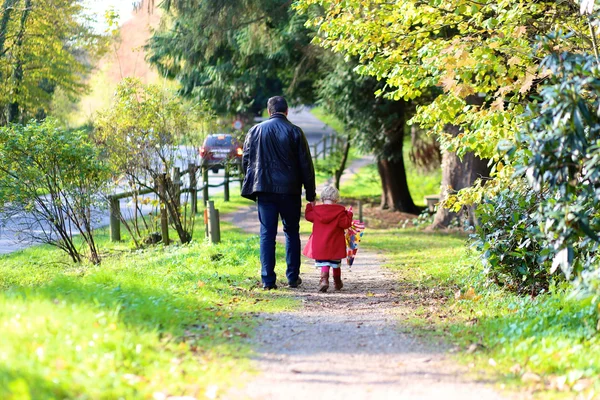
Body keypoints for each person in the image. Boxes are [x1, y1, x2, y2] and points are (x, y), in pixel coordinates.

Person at [241, 96, 316, 290]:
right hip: (290, 191)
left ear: (269, 111)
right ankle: (292, 277)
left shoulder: (255, 131)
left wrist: (253, 182)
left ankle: (268, 280)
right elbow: (306, 164)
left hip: (264, 189)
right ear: (287, 110)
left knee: (267, 233)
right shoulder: (295, 132)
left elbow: (246, 161)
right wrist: (310, 194)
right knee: (291, 232)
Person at [303, 186, 353, 292]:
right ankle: (337, 282)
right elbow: (345, 224)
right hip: (335, 244)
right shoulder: (340, 212)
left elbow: (308, 216)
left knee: (324, 262)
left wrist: (309, 206)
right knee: (335, 264)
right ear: (336, 199)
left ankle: (324, 280)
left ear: (322, 198)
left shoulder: (316, 211)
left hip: (320, 244)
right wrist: (349, 214)